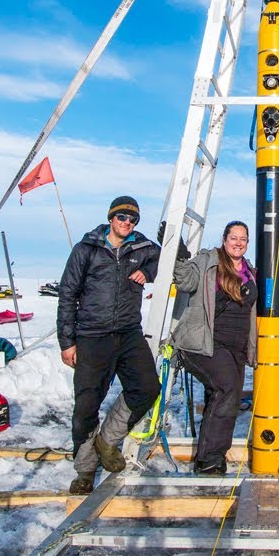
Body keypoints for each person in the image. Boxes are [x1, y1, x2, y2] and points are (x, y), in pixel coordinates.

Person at [56, 196, 162, 495]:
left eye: (132, 219)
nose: (127, 223)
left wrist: (149, 272)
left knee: (147, 387)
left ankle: (106, 442)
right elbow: (68, 294)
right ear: (111, 218)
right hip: (92, 334)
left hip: (128, 332)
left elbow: (165, 258)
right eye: (122, 218)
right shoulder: (87, 249)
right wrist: (67, 342)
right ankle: (85, 469)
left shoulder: (141, 247)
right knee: (87, 404)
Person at [169, 220, 257, 475]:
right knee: (227, 389)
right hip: (207, 343)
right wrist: (178, 253)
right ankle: (209, 459)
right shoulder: (209, 261)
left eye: (243, 239)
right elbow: (185, 281)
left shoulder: (250, 270)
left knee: (225, 397)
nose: (238, 243)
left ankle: (212, 452)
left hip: (236, 347)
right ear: (224, 239)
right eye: (234, 238)